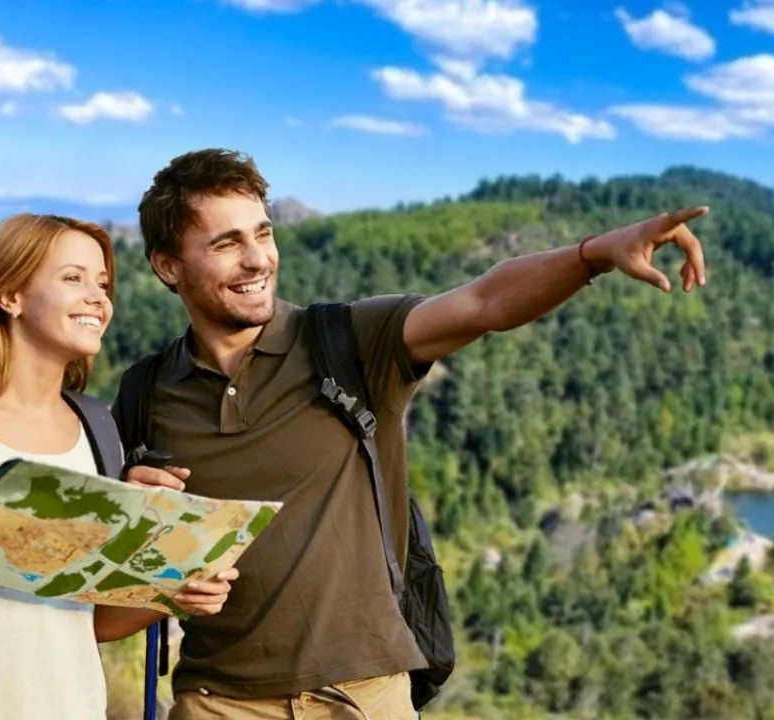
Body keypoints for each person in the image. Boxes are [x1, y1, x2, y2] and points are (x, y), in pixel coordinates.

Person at [120, 148, 708, 719]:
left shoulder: (345, 342)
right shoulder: (146, 393)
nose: (257, 260)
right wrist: (146, 537)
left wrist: (596, 253)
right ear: (168, 266)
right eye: (227, 243)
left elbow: (485, 300)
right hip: (217, 702)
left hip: (364, 698)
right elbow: (113, 571)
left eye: (264, 234)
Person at [0, 213, 239, 720]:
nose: (98, 298)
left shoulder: (98, 431)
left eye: (102, 283)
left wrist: (175, 589)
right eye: (73, 278)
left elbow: (90, 617)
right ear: (8, 296)